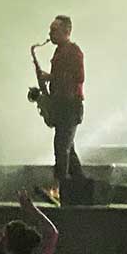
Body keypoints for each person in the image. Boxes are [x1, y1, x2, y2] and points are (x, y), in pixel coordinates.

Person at [42, 16, 85, 192]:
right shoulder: (59, 51)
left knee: (61, 146)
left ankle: (58, 187)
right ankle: (81, 185)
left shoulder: (74, 51)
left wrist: (50, 77)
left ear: (66, 31)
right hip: (60, 104)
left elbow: (78, 77)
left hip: (70, 104)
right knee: (68, 148)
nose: (50, 34)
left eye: (54, 30)